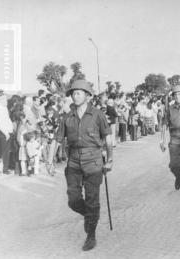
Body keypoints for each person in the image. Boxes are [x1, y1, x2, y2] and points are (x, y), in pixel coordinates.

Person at [57, 80, 113, 251]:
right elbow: (58, 139)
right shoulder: (67, 117)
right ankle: (90, 215)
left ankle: (91, 235)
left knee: (92, 199)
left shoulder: (98, 115)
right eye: (73, 93)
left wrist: (110, 159)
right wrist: (50, 160)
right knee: (73, 200)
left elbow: (108, 138)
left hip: (93, 160)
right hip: (73, 160)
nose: (75, 96)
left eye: (79, 93)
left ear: (88, 95)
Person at [0, 91, 14, 175]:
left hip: (8, 132)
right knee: (5, 152)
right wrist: (6, 133)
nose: (6, 100)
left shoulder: (4, 107)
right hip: (4, 133)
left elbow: (7, 120)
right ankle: (5, 169)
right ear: (0, 99)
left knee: (7, 151)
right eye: (5, 99)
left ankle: (6, 167)